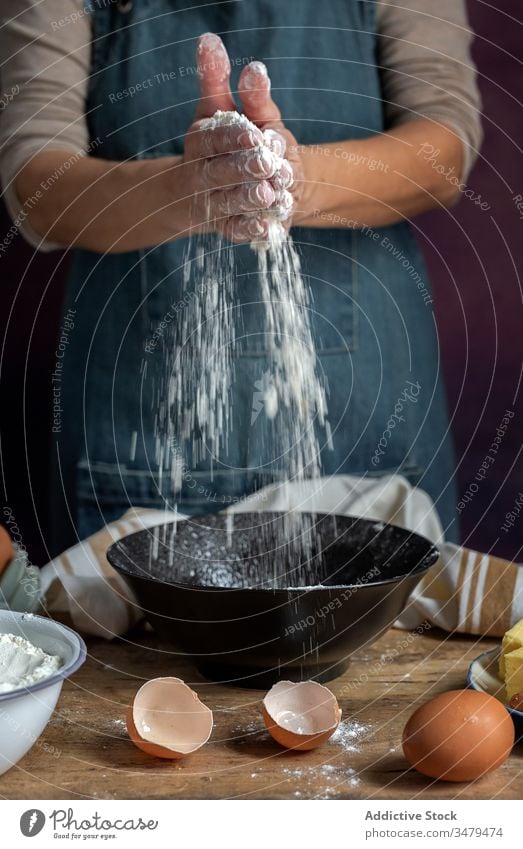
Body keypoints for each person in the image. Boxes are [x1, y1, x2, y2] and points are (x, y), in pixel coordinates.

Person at [0, 1, 482, 553]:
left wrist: (297, 179)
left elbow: (444, 146)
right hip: (143, 438)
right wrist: (189, 191)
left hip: (367, 416)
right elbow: (37, 184)